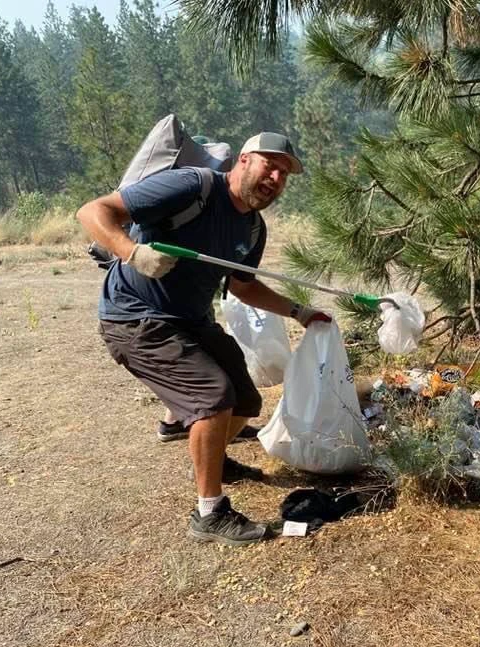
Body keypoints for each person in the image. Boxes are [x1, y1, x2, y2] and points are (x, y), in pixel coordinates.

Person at [77, 132, 331, 546]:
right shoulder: (193, 187)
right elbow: (93, 212)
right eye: (271, 165)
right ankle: (209, 513)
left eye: (284, 174)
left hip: (190, 321)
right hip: (135, 318)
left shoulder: (252, 228)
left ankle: (214, 460)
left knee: (246, 401)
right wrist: (133, 253)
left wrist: (299, 312)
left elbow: (243, 286)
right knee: (213, 399)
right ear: (245, 160)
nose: (276, 178)